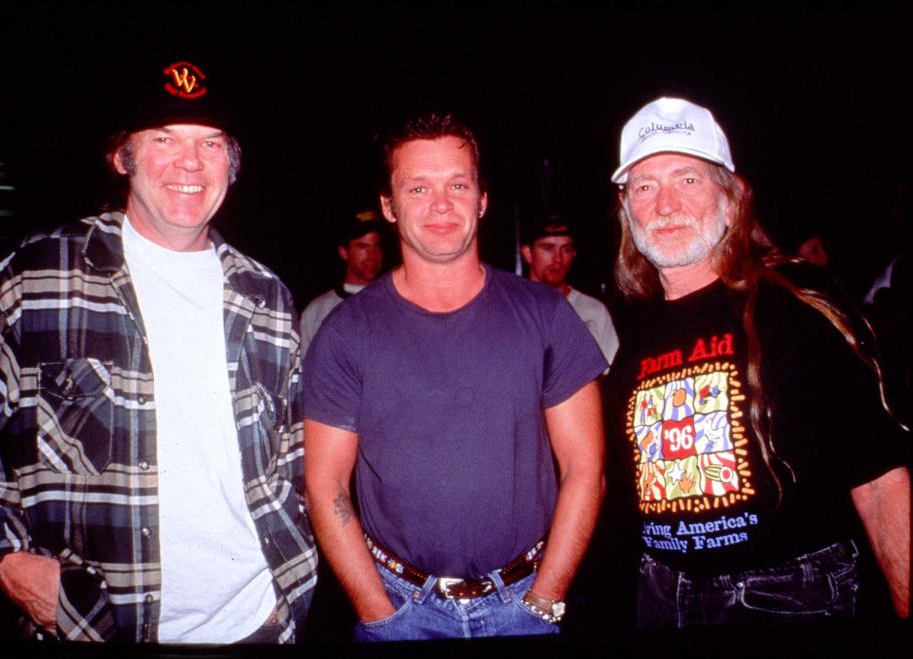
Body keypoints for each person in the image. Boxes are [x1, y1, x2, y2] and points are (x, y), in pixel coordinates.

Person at [0, 58, 316, 643]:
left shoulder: (267, 296)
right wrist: (2, 558)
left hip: (260, 619)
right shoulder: (33, 279)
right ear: (123, 156)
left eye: (211, 143)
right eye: (164, 139)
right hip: (97, 625)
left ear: (233, 163)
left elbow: (293, 454)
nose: (190, 163)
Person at [605, 97, 909, 628]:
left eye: (688, 179)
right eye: (645, 186)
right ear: (627, 209)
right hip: (661, 591)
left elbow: (880, 475)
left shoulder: (797, 302)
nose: (665, 204)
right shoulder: (637, 329)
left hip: (786, 595)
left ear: (730, 197)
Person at [303, 113, 608, 641]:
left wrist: (545, 600)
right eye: (418, 187)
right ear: (389, 206)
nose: (440, 204)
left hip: (527, 603)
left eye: (458, 185)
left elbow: (586, 468)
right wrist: (379, 615)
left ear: (482, 199)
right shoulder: (346, 331)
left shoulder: (546, 315)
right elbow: (325, 485)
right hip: (399, 608)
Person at [521, 217, 620, 364]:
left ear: (574, 254)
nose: (558, 259)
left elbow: (610, 372)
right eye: (548, 249)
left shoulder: (593, 311)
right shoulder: (513, 308)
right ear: (528, 253)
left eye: (566, 250)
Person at [300, 210, 383, 352]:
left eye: (377, 246)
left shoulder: (395, 303)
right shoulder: (318, 310)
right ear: (344, 252)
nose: (372, 255)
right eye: (362, 247)